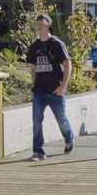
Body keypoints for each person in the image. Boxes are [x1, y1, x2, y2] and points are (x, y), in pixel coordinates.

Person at [25, 13, 74, 160]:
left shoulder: (57, 44)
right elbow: (33, 68)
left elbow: (67, 64)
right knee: (37, 120)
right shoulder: (34, 46)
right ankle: (38, 151)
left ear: (48, 24)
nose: (38, 24)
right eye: (37, 22)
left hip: (55, 90)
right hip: (40, 90)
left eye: (41, 21)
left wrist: (62, 87)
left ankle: (69, 138)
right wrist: (33, 88)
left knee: (61, 119)